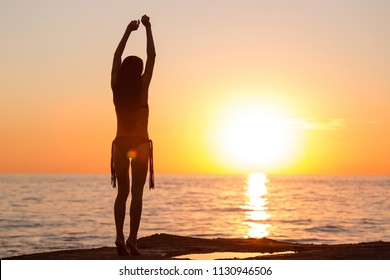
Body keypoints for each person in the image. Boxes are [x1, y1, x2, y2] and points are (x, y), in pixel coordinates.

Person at [110, 15, 156, 256]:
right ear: (138, 71)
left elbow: (116, 57)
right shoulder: (142, 87)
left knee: (122, 193)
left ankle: (118, 236)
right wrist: (148, 28)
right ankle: (132, 240)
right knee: (136, 194)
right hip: (140, 143)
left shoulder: (116, 88)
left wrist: (128, 31)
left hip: (119, 144)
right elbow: (152, 57)